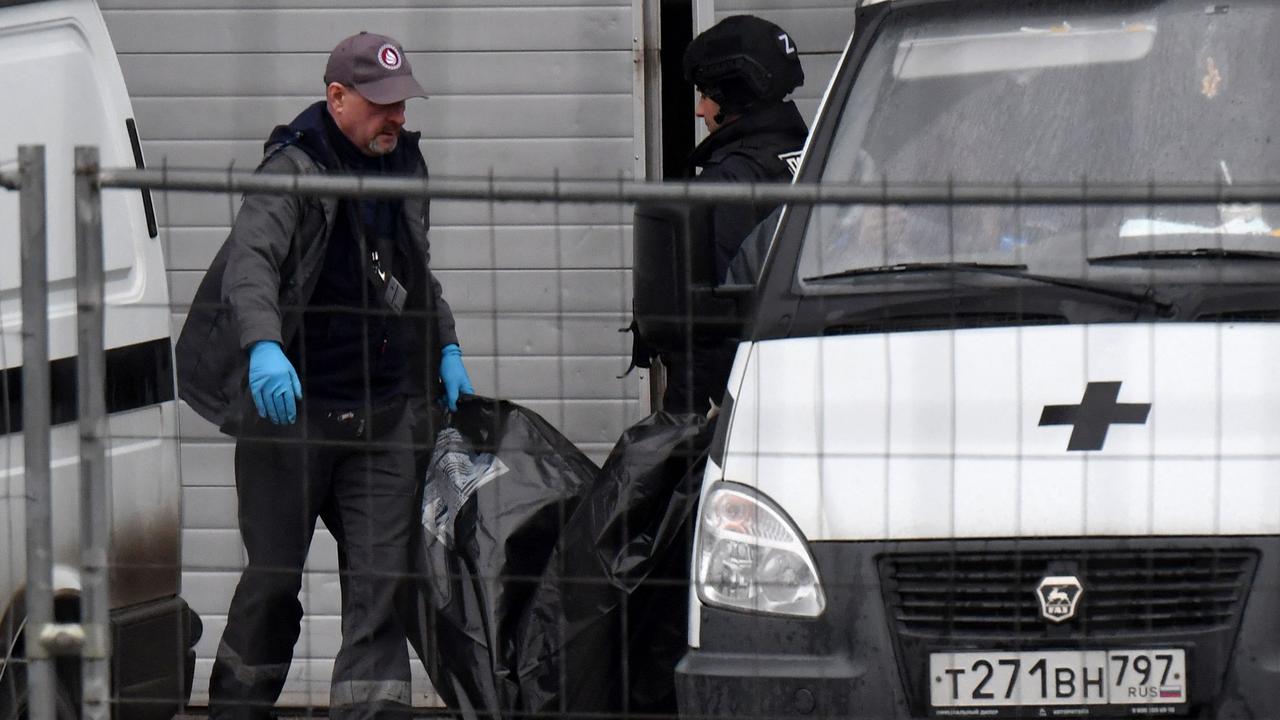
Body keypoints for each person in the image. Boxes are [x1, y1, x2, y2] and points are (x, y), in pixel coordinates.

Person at [175, 31, 473, 720]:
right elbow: (251, 267)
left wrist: (445, 348)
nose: (394, 118)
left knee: (380, 589)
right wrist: (261, 349)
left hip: (382, 417)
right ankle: (237, 710)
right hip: (292, 418)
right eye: (379, 105)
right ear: (336, 97)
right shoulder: (293, 167)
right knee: (274, 583)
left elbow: (413, 274)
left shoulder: (405, 166)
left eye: (402, 104)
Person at [662, 14, 810, 414]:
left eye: (706, 95)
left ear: (733, 97)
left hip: (736, 400)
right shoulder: (817, 159)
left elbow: (715, 325)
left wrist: (683, 423)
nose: (698, 111)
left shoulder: (728, 183)